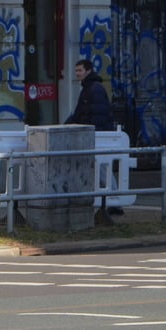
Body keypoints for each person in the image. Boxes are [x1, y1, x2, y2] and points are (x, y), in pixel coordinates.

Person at [66, 58, 123, 215]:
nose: (77, 73)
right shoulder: (89, 88)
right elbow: (79, 113)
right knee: (100, 168)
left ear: (88, 71)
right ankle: (111, 201)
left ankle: (114, 201)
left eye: (80, 70)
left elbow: (97, 114)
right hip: (95, 134)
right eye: (76, 70)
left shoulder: (93, 89)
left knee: (103, 167)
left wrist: (94, 133)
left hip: (98, 135)